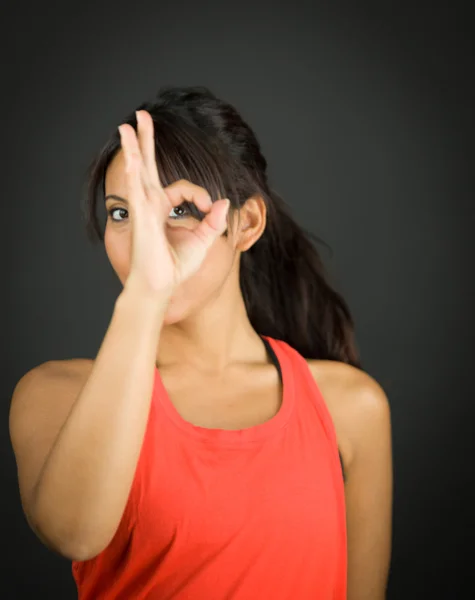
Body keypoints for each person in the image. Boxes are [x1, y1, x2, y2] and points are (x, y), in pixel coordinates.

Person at [9, 86, 393, 599]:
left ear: (247, 224)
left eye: (180, 209)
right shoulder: (54, 395)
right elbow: (75, 534)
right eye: (122, 214)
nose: (148, 240)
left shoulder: (351, 407)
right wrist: (147, 294)